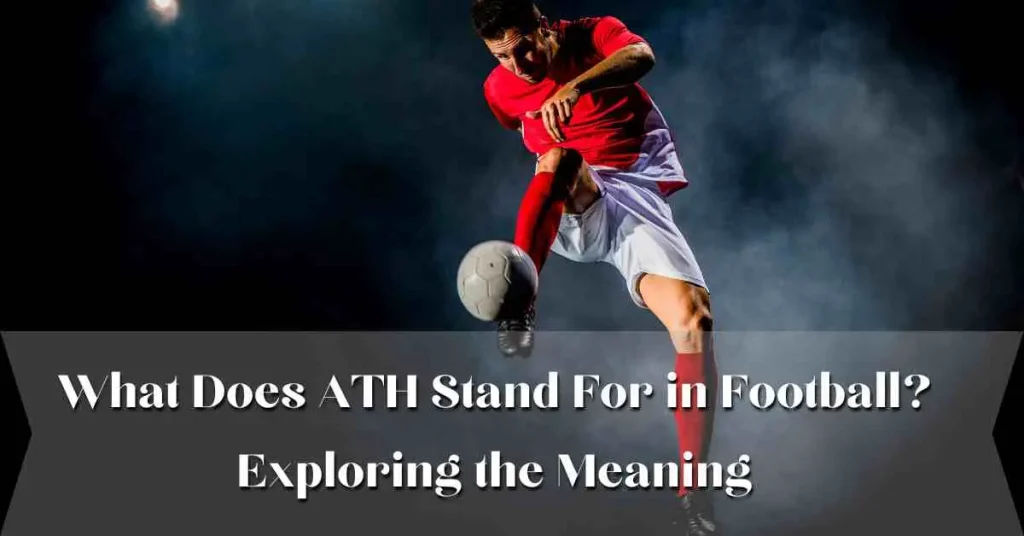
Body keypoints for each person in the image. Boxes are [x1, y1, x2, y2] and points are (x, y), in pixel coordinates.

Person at [472, 0, 721, 532]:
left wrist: (576, 88)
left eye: (524, 47)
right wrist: (548, 173)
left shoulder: (592, 34)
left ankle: (693, 491)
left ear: (544, 26)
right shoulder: (499, 89)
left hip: (635, 197)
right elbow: (514, 119)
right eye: (502, 56)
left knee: (694, 322)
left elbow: (641, 55)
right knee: (560, 158)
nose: (518, 65)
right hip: (574, 196)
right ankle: (520, 302)